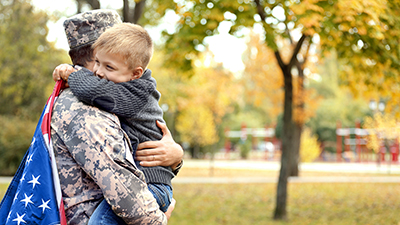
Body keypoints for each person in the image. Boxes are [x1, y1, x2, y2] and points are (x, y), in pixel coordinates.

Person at [51, 9, 183, 224]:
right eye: (99, 64)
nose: (100, 73)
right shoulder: (85, 107)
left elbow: (96, 91)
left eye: (109, 66)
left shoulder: (125, 91)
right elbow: (128, 200)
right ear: (95, 56)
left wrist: (176, 157)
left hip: (153, 185)